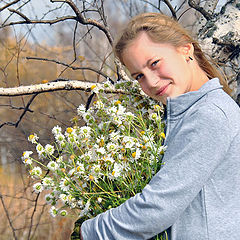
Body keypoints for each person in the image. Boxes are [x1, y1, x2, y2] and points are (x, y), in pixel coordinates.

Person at [80, 12, 240, 240]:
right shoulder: (184, 115)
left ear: (185, 49)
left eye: (154, 63)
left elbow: (157, 208)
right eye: (139, 76)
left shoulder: (209, 114)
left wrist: (89, 232)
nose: (151, 82)